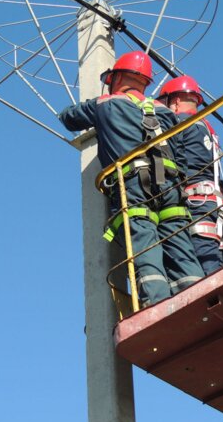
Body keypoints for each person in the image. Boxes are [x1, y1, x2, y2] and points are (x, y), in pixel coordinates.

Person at [58, 51, 204, 307]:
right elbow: (180, 154)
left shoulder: (107, 104)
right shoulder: (165, 112)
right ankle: (198, 299)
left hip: (134, 186)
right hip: (171, 186)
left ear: (117, 77)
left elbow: (69, 117)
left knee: (144, 241)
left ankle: (158, 305)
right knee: (179, 242)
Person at [158, 75, 223, 275]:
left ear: (175, 101)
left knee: (206, 270)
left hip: (198, 202)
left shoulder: (179, 123)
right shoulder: (208, 130)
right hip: (221, 206)